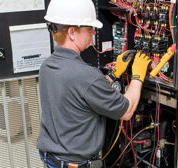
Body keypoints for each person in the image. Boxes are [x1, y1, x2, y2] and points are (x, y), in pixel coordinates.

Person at [36, 0, 151, 167]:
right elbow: (126, 111)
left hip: (52, 158)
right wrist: (138, 77)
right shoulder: (87, 76)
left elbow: (80, 92)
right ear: (71, 32)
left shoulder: (47, 66)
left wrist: (113, 74)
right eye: (89, 28)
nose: (94, 33)